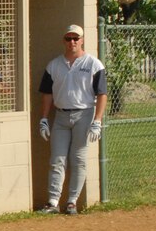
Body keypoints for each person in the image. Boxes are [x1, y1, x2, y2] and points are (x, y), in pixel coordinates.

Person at [38, 24, 107, 215]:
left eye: (76, 38)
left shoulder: (93, 64)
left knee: (78, 159)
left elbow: (102, 94)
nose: (72, 42)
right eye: (68, 39)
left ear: (82, 40)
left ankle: (72, 202)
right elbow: (47, 93)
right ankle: (53, 202)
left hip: (84, 115)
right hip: (60, 116)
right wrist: (43, 118)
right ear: (64, 41)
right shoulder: (54, 65)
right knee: (57, 160)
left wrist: (97, 121)